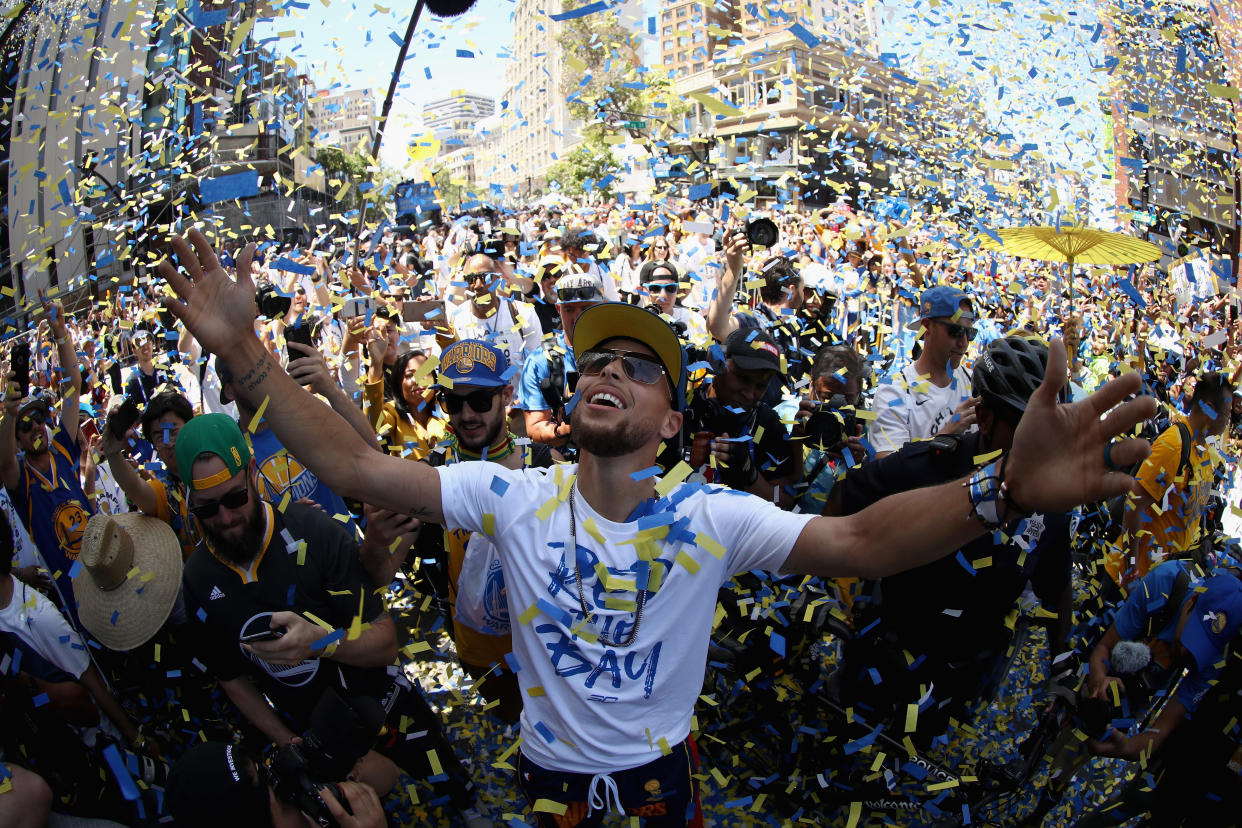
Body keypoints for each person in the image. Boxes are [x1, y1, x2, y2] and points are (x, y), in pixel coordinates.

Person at [162, 228, 1155, 828]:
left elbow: (859, 542)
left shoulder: (711, 518)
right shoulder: (514, 497)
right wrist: (247, 353)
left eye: (638, 368)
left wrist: (1005, 497)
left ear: (672, 422)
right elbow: (351, 466)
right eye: (599, 362)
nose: (608, 373)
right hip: (548, 779)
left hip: (659, 783)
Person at [174, 413, 488, 824]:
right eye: (208, 510)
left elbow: (385, 641)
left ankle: (466, 802)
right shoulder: (197, 578)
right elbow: (231, 679)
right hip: (316, 733)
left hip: (382, 701)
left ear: (252, 473)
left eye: (235, 498)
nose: (226, 519)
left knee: (437, 765)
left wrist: (320, 643)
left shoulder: (311, 529)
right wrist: (292, 743)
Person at [832, 336, 1074, 744]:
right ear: (985, 413)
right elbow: (843, 499)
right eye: (1025, 422)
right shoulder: (930, 463)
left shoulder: (1051, 505)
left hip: (955, 687)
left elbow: (1057, 582)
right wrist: (835, 593)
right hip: (880, 666)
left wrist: (1063, 662)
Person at [409, 340, 558, 723]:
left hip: (545, 645)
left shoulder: (542, 463)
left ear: (507, 394)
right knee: (508, 717)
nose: (466, 414)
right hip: (477, 646)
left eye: (479, 400)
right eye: (452, 403)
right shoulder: (435, 469)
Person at [1027, 562, 1242, 826]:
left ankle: (1042, 807)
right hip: (1113, 657)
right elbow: (1103, 648)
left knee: (1077, 748)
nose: (1188, 653)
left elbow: (1162, 730)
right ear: (1190, 604)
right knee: (1064, 709)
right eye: (1193, 637)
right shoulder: (1165, 583)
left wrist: (1126, 747)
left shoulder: (1216, 660)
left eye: (1202, 649)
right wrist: (1099, 679)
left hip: (1139, 693)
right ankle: (1037, 742)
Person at [0, 300, 92, 629]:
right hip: (73, 593)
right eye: (26, 426)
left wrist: (61, 331)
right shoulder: (20, 480)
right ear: (19, 440)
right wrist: (9, 416)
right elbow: (3, 459)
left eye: (39, 418)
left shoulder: (63, 451)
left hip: (104, 566)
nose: (36, 426)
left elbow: (73, 389)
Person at [1107, 371, 1232, 589]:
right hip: (1129, 583)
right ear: (1210, 410)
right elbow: (1134, 506)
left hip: (1157, 583)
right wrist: (1131, 568)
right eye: (1227, 415)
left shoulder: (1203, 452)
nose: (1228, 422)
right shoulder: (1174, 446)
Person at [682, 328, 798, 504]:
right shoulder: (681, 408)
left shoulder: (769, 425)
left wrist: (749, 473)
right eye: (743, 379)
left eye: (760, 386)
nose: (749, 394)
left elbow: (785, 501)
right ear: (717, 362)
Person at [166, 741, 387, 828]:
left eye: (274, 775)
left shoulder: (314, 799)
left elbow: (390, 774)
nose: (294, 794)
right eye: (281, 799)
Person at [868, 285, 979, 459]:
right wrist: (946, 436)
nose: (964, 343)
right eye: (955, 331)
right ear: (927, 327)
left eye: (970, 333)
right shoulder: (892, 393)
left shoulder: (973, 382)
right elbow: (889, 474)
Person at [98, 390, 200, 558]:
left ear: (190, 425)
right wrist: (112, 454)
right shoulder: (165, 493)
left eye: (173, 431)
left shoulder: (216, 461)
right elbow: (135, 488)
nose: (167, 443)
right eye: (159, 437)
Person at [517, 271, 606, 449]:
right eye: (569, 309)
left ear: (601, 308)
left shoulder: (619, 353)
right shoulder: (540, 360)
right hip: (564, 463)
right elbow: (535, 427)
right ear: (558, 310)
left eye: (586, 308)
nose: (577, 317)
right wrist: (563, 432)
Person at [448, 252, 544, 385]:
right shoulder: (457, 319)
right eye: (471, 278)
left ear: (496, 279)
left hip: (519, 403)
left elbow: (538, 364)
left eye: (485, 277)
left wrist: (521, 402)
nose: (478, 285)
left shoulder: (523, 312)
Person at [361, 345, 445, 460]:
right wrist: (376, 363)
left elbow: (463, 377)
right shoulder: (393, 413)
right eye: (410, 375)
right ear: (398, 386)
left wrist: (446, 331)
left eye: (424, 372)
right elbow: (374, 423)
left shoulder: (447, 405)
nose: (418, 380)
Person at [123, 328, 178, 402]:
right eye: (140, 344)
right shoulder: (132, 382)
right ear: (134, 351)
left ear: (152, 345)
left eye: (147, 342)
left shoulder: (165, 368)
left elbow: (181, 393)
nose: (145, 347)